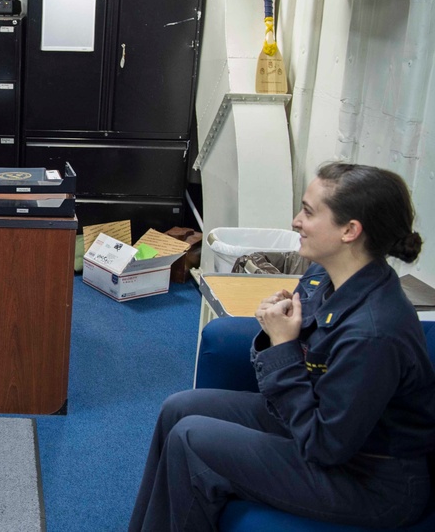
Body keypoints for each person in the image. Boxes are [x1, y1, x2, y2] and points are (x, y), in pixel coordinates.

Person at [130, 162, 435, 531]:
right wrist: (275, 328)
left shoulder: (374, 334)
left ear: (350, 231)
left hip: (369, 479)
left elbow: (325, 446)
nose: (295, 221)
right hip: (314, 427)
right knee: (179, 408)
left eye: (308, 211)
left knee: (192, 440)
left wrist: (282, 346)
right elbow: (303, 360)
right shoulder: (323, 274)